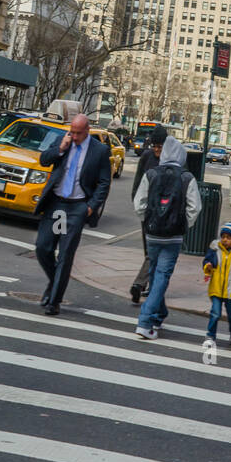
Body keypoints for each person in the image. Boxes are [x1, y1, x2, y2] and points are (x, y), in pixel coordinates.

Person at [36, 109, 112, 316]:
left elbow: (105, 182)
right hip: (56, 205)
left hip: (77, 207)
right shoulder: (64, 141)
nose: (74, 136)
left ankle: (54, 301)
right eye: (72, 132)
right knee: (43, 247)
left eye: (78, 133)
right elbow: (43, 159)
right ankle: (55, 282)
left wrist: (91, 206)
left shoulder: (100, 150)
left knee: (65, 254)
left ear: (87, 130)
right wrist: (60, 149)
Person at [133, 135, 201, 340]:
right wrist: (184, 226)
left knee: (155, 275)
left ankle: (159, 314)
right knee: (161, 276)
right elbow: (195, 208)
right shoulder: (187, 177)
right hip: (173, 237)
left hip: (152, 233)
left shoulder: (151, 174)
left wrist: (147, 220)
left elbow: (139, 203)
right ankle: (145, 321)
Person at [129, 126, 167, 304]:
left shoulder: (170, 159)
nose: (157, 150)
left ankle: (140, 284)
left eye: (160, 146)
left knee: (154, 250)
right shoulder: (146, 157)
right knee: (149, 250)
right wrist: (138, 205)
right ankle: (149, 283)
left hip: (164, 213)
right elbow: (137, 182)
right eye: (155, 146)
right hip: (147, 210)